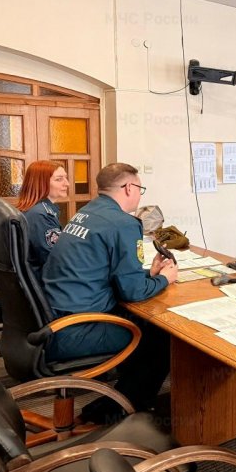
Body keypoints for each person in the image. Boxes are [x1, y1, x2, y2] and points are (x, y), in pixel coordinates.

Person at [42, 163, 178, 422]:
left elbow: (102, 268)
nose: (139, 196)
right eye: (140, 189)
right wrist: (165, 279)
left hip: (54, 319)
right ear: (129, 188)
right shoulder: (123, 223)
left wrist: (149, 274)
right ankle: (123, 408)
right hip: (75, 329)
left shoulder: (85, 213)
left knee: (144, 324)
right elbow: (132, 292)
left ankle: (122, 396)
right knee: (162, 335)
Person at [16, 160, 70, 280]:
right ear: (41, 183)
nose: (67, 183)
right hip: (47, 282)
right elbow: (55, 260)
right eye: (59, 179)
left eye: (66, 178)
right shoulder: (41, 215)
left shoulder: (35, 208)